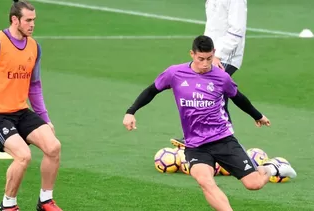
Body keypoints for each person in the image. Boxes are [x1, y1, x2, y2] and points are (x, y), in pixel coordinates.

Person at [122, 35, 297, 211]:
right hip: (196, 145)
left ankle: (273, 167)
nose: (205, 64)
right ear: (192, 54)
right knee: (205, 182)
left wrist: (257, 116)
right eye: (201, 59)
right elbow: (151, 90)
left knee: (254, 184)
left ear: (214, 54)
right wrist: (131, 111)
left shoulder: (222, 77)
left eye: (209, 58)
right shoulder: (175, 73)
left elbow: (238, 98)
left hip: (223, 140)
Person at [0, 0, 63, 210]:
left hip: (21, 111)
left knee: (54, 147)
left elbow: (35, 86)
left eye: (34, 20)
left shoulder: (34, 47)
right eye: (28, 20)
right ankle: (8, 205)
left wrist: (45, 118)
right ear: (14, 20)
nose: (32, 25)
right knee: (23, 156)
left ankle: (45, 200)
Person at [170, 0, 248, 148]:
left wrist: (218, 54)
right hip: (211, 54)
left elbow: (236, 29)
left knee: (216, 98)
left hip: (225, 55)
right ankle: (207, 140)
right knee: (213, 97)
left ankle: (226, 147)